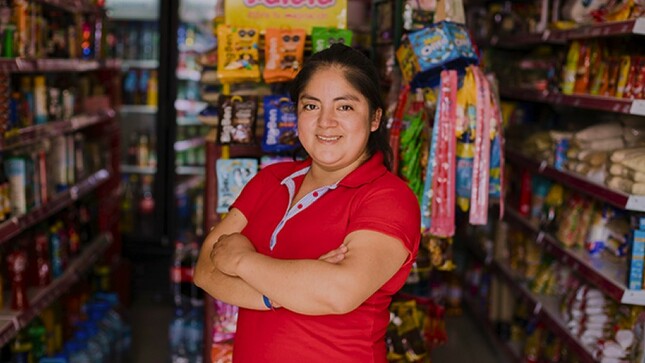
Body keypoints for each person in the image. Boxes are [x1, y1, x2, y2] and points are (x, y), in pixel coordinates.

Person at [194, 43, 421, 362]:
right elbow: (205, 270)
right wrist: (281, 294)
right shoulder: (271, 180)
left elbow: (338, 293)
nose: (326, 122)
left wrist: (242, 261)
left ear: (374, 119)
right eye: (311, 106)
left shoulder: (388, 198)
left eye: (344, 107)